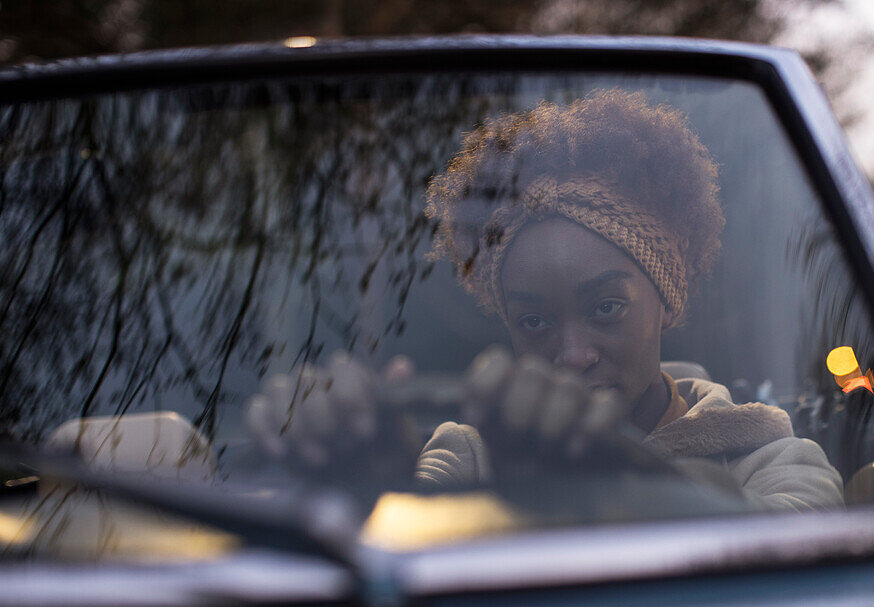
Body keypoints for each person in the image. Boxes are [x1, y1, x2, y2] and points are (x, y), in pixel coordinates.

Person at [245, 90, 842, 519]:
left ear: (666, 299)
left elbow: (803, 563)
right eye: (534, 321)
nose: (572, 356)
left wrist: (618, 478)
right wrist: (373, 488)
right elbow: (405, 535)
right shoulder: (473, 451)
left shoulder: (771, 457)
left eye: (606, 307)